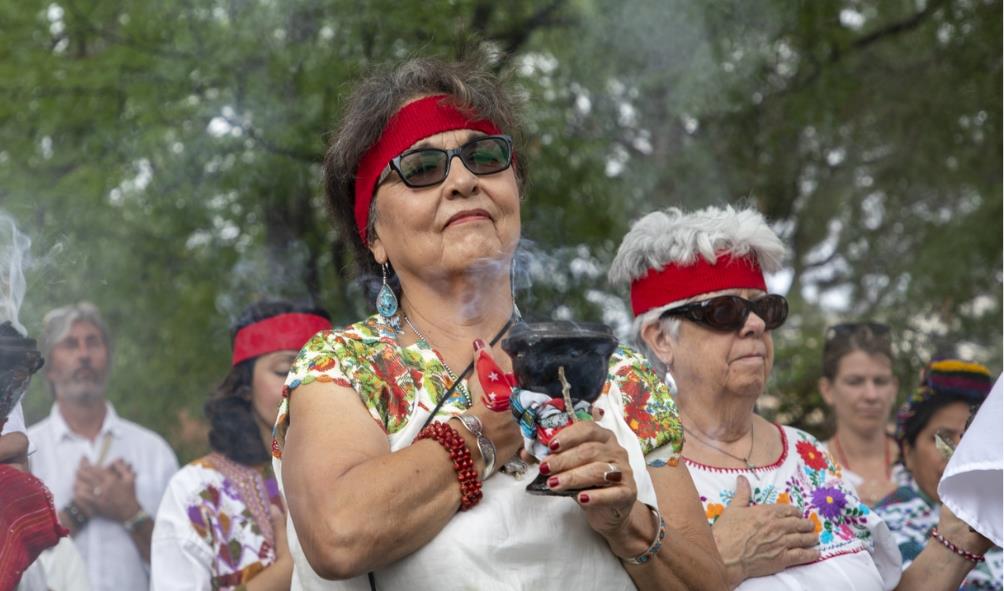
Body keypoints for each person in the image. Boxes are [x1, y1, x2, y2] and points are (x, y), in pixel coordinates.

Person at [272, 57, 726, 591]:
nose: (463, 180)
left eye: (484, 157)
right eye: (421, 168)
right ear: (374, 237)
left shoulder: (615, 373)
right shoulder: (346, 367)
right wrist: (491, 431)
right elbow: (337, 535)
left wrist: (626, 521)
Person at [612, 205, 998, 590]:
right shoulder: (631, 471)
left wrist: (960, 533)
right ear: (661, 339)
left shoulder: (805, 452)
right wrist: (716, 564)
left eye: (765, 308)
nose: (756, 324)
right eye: (725, 311)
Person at [151, 300, 332, 590]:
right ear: (244, 387)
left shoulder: (356, 470)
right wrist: (285, 572)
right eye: (285, 369)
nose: (302, 383)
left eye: (320, 370)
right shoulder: (197, 491)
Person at [27, 302, 178, 591]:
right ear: (49, 368)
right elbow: (12, 565)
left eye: (92, 343)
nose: (84, 355)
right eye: (70, 344)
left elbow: (181, 566)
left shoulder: (153, 451)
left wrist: (131, 511)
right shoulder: (28, 453)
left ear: (107, 358)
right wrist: (76, 512)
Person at [874, 359, 1002, 590]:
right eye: (942, 437)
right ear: (907, 450)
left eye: (972, 437)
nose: (960, 453)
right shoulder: (878, 529)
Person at [819, 321, 900, 506]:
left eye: (880, 381)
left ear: (894, 388)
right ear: (827, 390)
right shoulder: (809, 468)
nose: (871, 395)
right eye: (855, 382)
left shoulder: (920, 465)